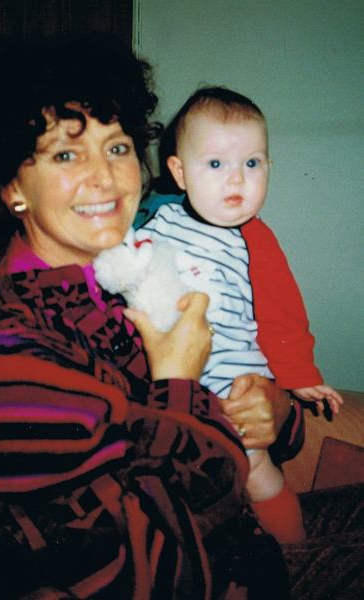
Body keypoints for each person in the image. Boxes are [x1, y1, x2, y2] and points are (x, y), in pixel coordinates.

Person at [0, 38, 301, 599]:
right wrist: (178, 382)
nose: (106, 178)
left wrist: (276, 411)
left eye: (117, 147)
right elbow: (131, 575)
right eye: (67, 155)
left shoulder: (136, 278)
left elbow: (250, 406)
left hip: (255, 553)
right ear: (10, 185)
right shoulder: (0, 354)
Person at [135, 87, 343, 544]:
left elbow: (283, 313)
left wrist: (299, 375)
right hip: (168, 383)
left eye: (252, 163)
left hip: (235, 384)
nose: (236, 179)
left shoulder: (256, 239)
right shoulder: (159, 220)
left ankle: (294, 549)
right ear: (180, 172)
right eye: (215, 164)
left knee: (257, 472)